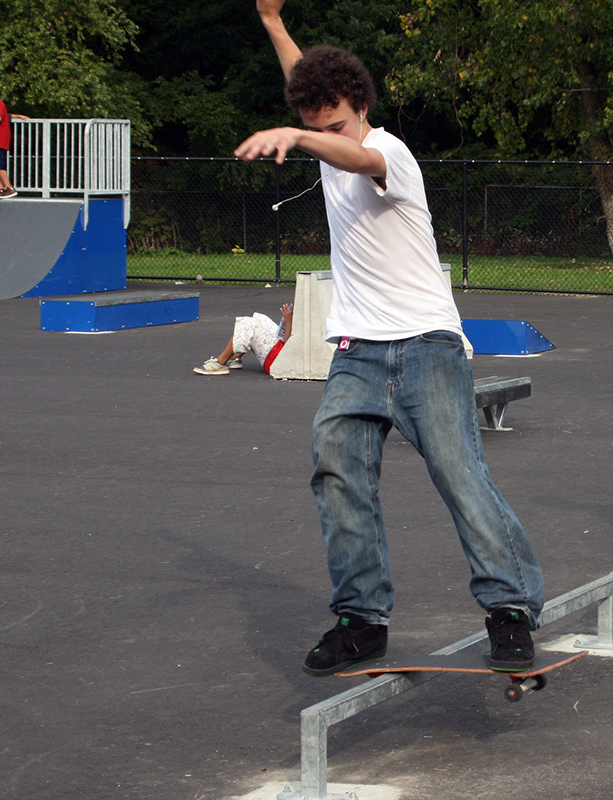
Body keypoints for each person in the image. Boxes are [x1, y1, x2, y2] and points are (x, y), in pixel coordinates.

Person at [236, 0, 544, 676]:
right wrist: (274, 23)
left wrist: (301, 135)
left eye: (335, 125)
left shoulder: (387, 153)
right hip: (357, 354)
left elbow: (349, 148)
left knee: (460, 476)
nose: (325, 135)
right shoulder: (327, 126)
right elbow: (306, 89)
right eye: (317, 126)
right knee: (336, 468)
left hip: (426, 347)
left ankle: (511, 609)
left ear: (359, 109)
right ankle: (361, 618)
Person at [194, 302, 293, 375]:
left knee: (249, 324)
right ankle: (234, 357)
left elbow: (290, 348)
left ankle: (220, 363)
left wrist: (288, 322)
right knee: (260, 318)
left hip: (278, 359)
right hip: (281, 349)